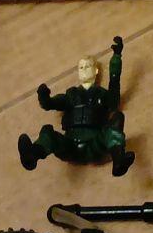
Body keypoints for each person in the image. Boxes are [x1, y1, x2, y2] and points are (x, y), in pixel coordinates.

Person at [18, 36, 135, 176]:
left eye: (88, 66)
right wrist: (44, 97)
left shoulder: (101, 94)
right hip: (70, 146)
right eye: (81, 67)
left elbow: (114, 101)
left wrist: (116, 58)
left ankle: (118, 160)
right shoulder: (71, 95)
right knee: (48, 132)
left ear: (96, 71)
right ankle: (32, 154)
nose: (84, 70)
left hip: (95, 144)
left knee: (117, 118)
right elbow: (50, 104)